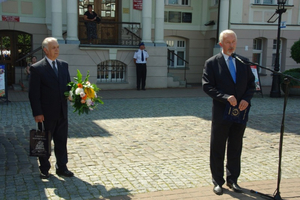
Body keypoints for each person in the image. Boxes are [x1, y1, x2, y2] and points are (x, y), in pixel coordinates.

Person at [202, 30, 255, 195]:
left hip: (240, 113)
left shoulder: (243, 62)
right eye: (227, 42)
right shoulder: (212, 63)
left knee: (235, 146)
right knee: (218, 146)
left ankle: (233, 180)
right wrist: (225, 97)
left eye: (233, 42)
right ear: (220, 44)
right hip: (221, 112)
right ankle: (218, 181)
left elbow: (252, 85)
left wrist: (246, 98)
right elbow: (207, 86)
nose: (231, 45)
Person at [28, 37, 73, 179]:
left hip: (62, 112)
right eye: (54, 48)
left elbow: (68, 86)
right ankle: (44, 168)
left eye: (58, 47)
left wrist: (78, 95)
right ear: (45, 50)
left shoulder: (64, 65)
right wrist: (37, 113)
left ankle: (62, 167)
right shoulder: (37, 68)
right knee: (44, 141)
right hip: (46, 114)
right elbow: (33, 94)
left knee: (61, 141)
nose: (57, 50)